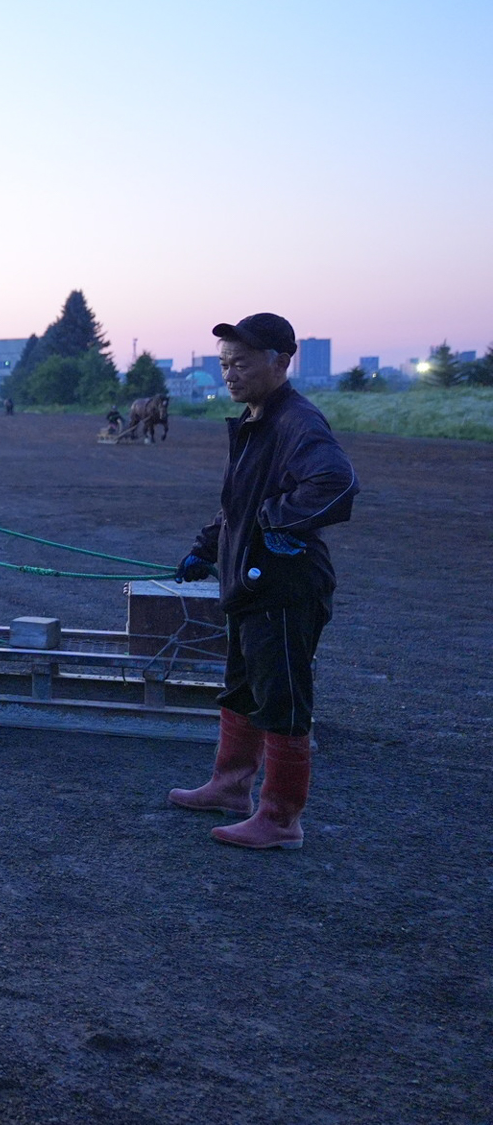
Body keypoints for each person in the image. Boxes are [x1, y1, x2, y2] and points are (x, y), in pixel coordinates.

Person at [169, 314, 358, 850]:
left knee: (282, 700)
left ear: (281, 361)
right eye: (225, 364)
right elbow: (238, 505)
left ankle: (280, 819)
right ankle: (230, 789)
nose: (230, 373)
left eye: (242, 363)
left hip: (283, 587)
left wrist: (276, 522)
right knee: (243, 689)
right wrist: (205, 549)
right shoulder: (257, 420)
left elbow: (337, 482)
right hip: (250, 588)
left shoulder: (297, 421)